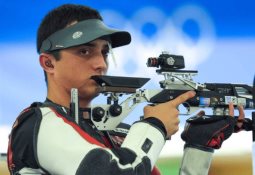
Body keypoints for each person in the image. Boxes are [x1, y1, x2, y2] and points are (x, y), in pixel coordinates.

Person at [7, 4, 245, 175]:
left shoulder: (119, 133)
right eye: (84, 51)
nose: (101, 63)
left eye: (104, 52)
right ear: (48, 63)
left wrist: (198, 147)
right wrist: (154, 126)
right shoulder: (37, 123)